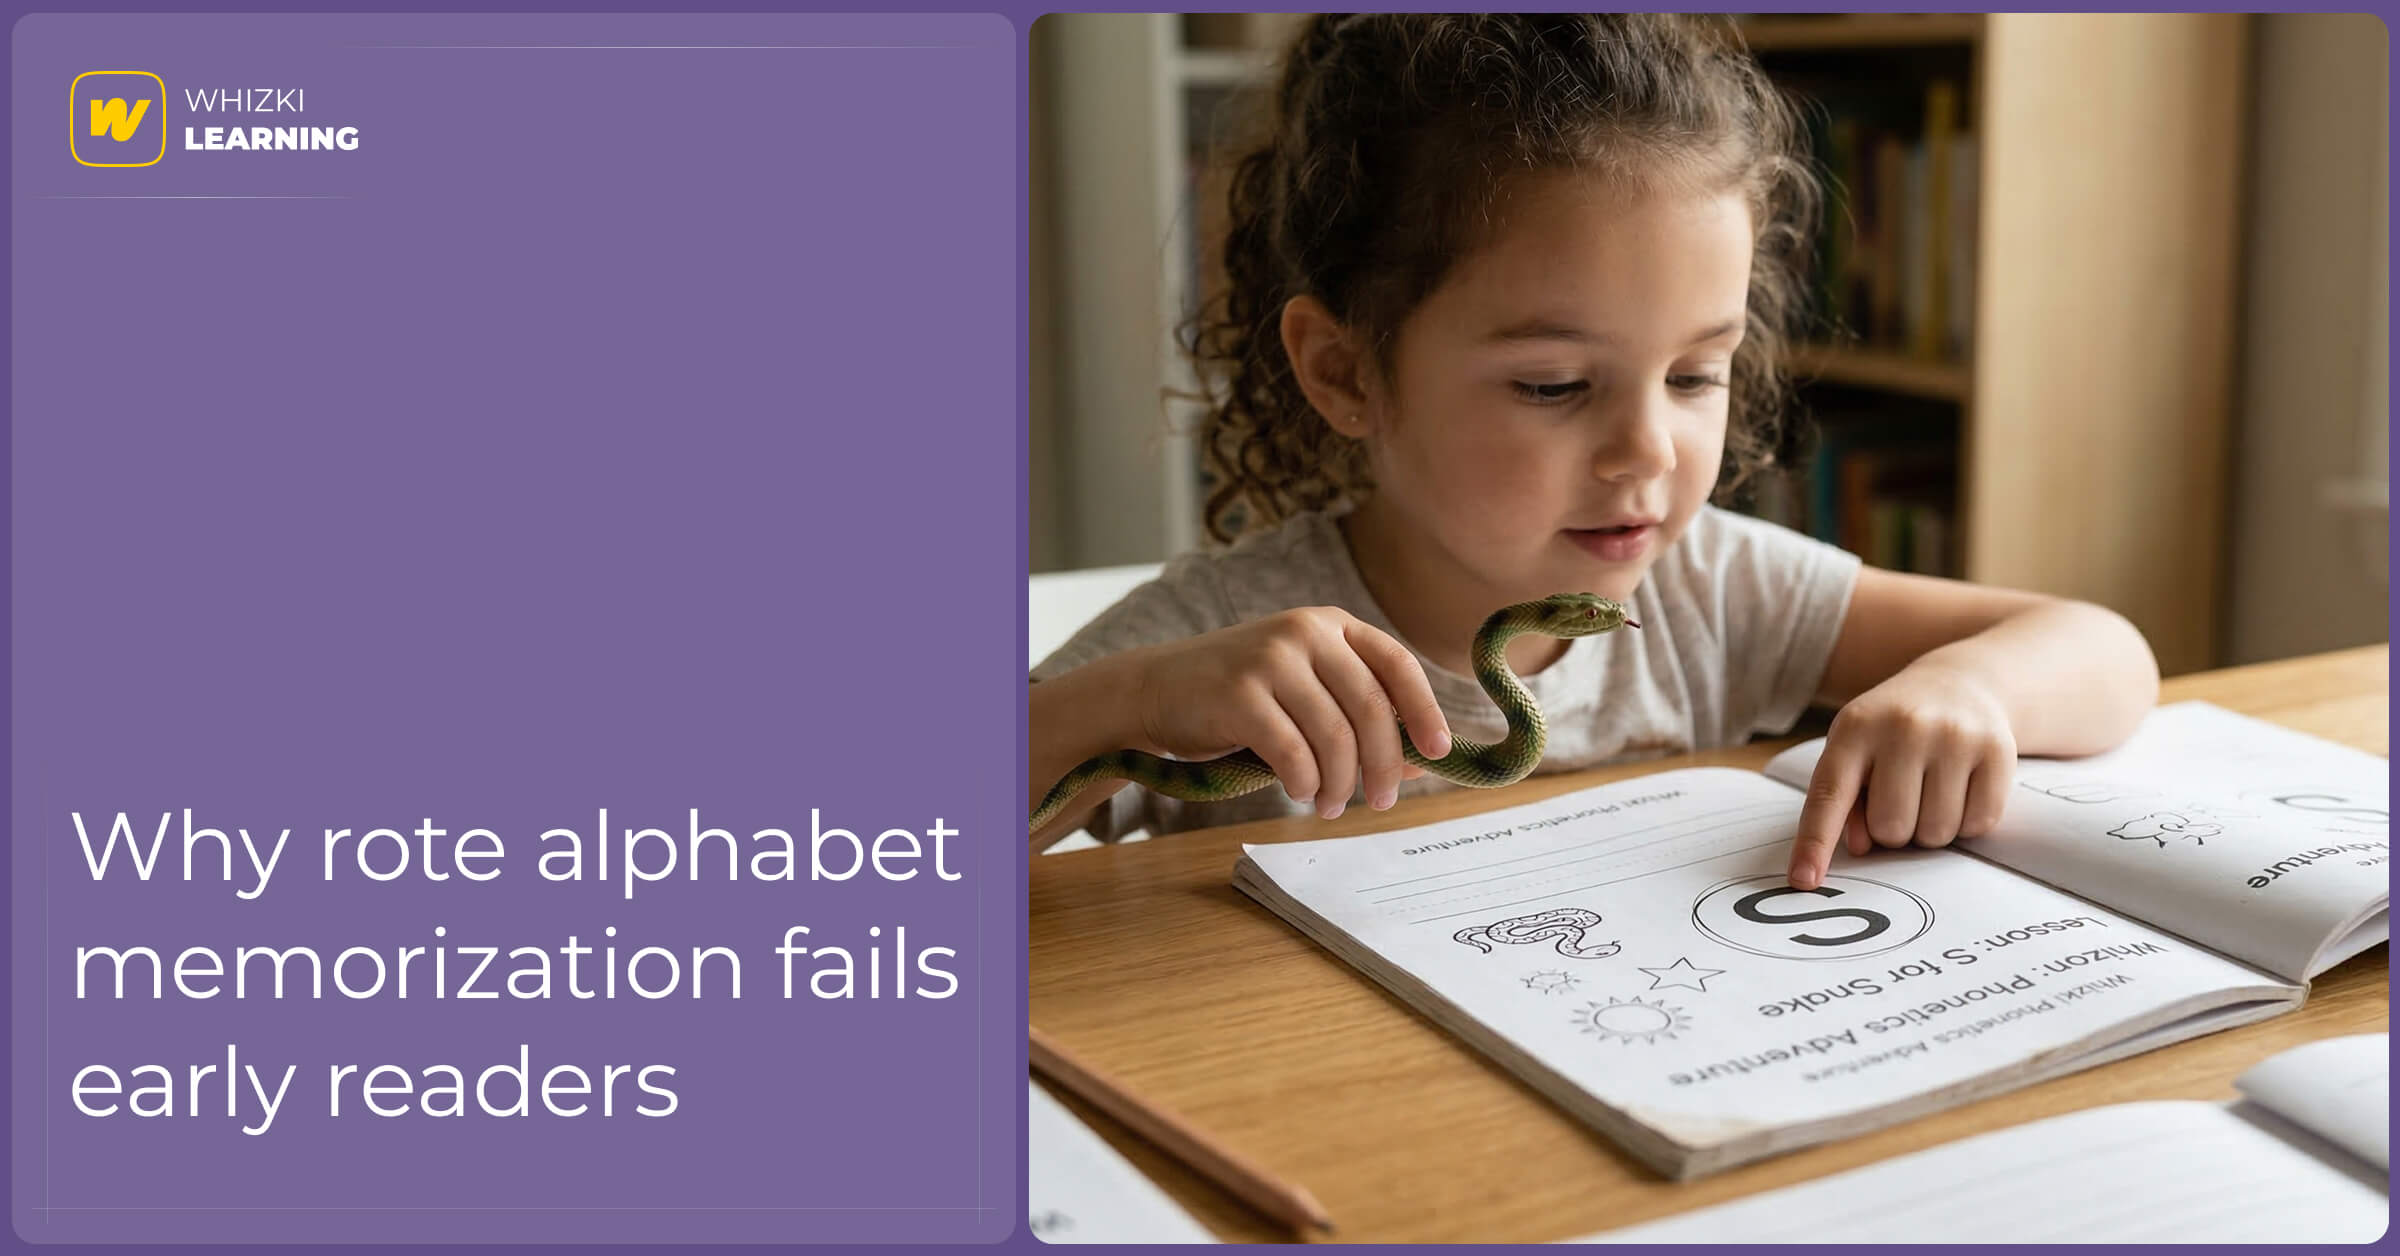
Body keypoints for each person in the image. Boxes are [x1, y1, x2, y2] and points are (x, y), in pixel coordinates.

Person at [1029, 14, 2157, 889]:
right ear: (1345, 371)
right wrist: (1128, 701)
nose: (1645, 451)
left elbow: (2103, 651)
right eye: (1554, 386)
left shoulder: (1710, 586)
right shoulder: (1224, 648)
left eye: (1694, 375)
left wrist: (1969, 687)